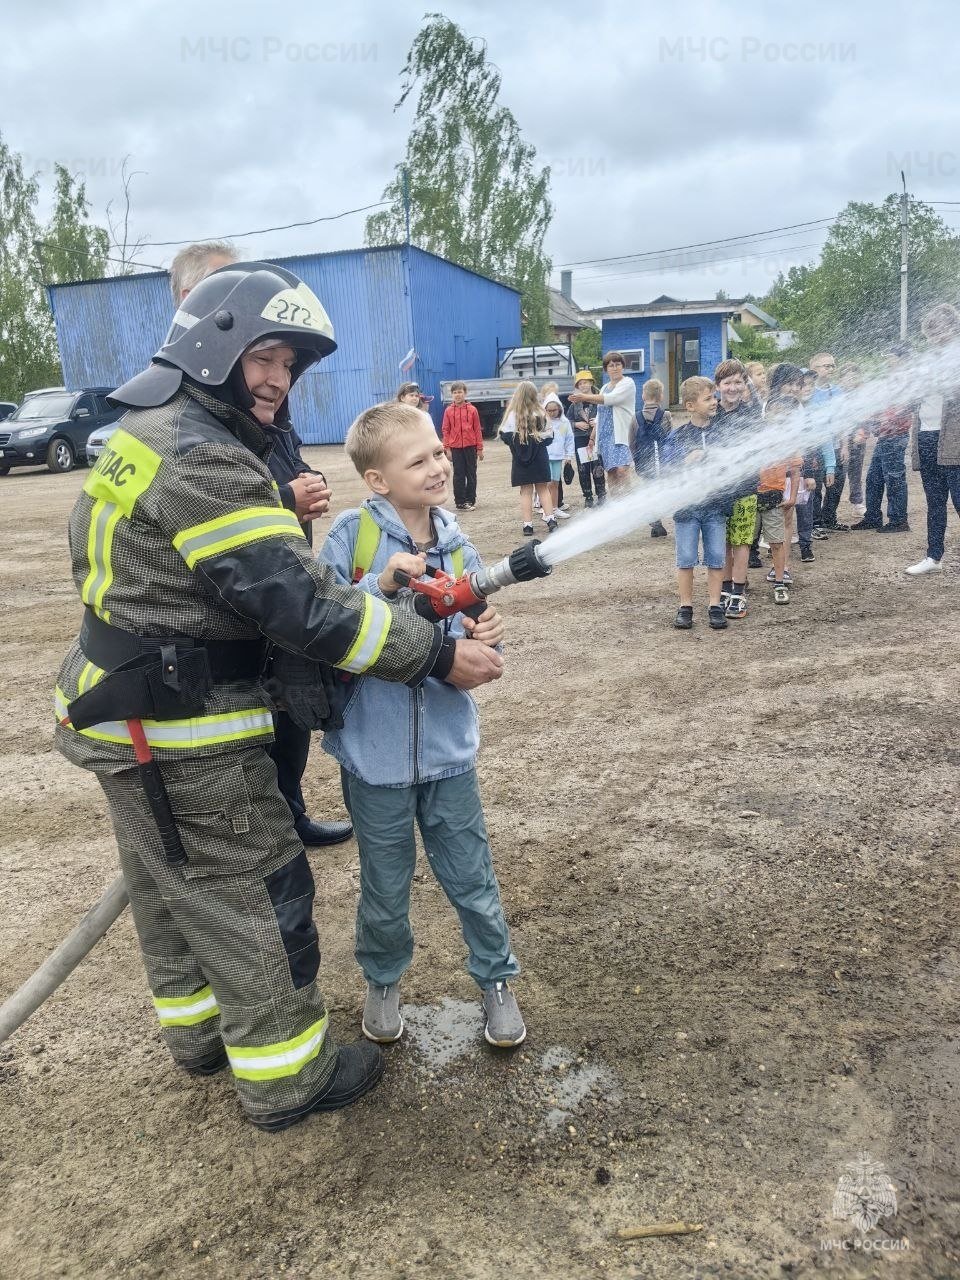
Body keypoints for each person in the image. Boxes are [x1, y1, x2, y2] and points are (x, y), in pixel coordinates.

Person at [53, 261, 504, 1132]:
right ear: (211, 346)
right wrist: (434, 656)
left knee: (169, 883)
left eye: (290, 366)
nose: (278, 380)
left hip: (127, 711)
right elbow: (300, 604)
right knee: (257, 888)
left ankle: (198, 1041)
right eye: (264, 357)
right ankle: (286, 1077)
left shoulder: (146, 432)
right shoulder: (205, 458)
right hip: (184, 730)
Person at [318, 402, 525, 1049]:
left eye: (439, 452)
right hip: (373, 759)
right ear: (377, 479)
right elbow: (320, 625)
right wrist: (380, 586)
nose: (438, 466)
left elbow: (475, 627)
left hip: (448, 754)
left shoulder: (458, 543)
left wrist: (486, 630)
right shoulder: (350, 537)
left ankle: (496, 982)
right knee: (384, 885)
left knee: (472, 877)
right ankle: (383, 982)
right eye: (420, 459)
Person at [169, 241, 351, 850]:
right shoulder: (180, 406)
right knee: (252, 722)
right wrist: (285, 499)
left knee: (294, 701)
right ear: (191, 303)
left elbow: (282, 454)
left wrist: (304, 485)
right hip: (233, 599)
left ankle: (291, 810)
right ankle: (266, 825)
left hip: (278, 573)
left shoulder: (266, 390)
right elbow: (204, 513)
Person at [662, 377, 728, 631]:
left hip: (715, 507)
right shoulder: (677, 436)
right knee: (686, 559)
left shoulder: (720, 433)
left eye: (714, 397)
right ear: (690, 406)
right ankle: (685, 606)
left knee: (716, 558)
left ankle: (714, 605)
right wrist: (686, 460)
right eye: (708, 398)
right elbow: (668, 469)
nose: (715, 402)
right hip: (687, 510)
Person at [905, 303, 960, 575]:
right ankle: (933, 557)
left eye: (940, 330)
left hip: (954, 440)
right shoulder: (925, 362)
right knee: (935, 502)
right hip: (926, 436)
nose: (935, 336)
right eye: (930, 332)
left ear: (953, 327)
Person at [713, 359, 761, 619]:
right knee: (722, 542)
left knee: (741, 541)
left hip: (744, 488)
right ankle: (725, 587)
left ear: (745, 385)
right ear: (718, 386)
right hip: (718, 491)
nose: (732, 388)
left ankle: (739, 592)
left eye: (738, 382)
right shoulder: (711, 414)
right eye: (727, 382)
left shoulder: (751, 414)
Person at [851, 344, 912, 534]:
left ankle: (899, 520)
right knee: (874, 479)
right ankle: (873, 517)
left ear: (900, 358)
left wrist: (879, 419)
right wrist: (869, 424)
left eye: (890, 356)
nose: (887, 360)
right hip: (884, 438)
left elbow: (901, 409)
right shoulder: (890, 380)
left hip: (895, 437)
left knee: (894, 479)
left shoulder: (908, 379)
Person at [756, 395, 804, 605]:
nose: (778, 416)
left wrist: (792, 497)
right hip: (752, 498)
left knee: (776, 541)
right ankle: (738, 583)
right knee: (744, 543)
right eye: (773, 411)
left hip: (774, 499)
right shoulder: (756, 437)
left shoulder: (790, 441)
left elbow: (795, 471)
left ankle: (779, 581)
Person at [568, 351, 637, 494]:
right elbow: (600, 414)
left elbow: (612, 399)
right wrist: (593, 437)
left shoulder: (628, 383)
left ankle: (630, 502)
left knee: (622, 471)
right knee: (611, 472)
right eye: (611, 365)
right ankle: (616, 505)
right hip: (605, 437)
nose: (615, 368)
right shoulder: (605, 387)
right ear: (606, 369)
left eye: (618, 364)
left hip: (622, 435)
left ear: (623, 366)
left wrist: (584, 397)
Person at [499, 381, 558, 535]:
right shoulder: (541, 413)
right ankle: (551, 520)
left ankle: (528, 526)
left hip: (520, 458)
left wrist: (520, 446)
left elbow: (505, 436)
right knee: (543, 488)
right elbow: (550, 437)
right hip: (540, 457)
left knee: (525, 491)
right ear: (534, 395)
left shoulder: (512, 414)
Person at [808, 352, 849, 531]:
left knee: (836, 485)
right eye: (826, 366)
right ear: (814, 369)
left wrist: (845, 445)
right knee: (815, 487)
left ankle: (829, 519)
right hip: (816, 449)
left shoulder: (838, 391)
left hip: (836, 445)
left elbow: (843, 420)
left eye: (833, 365)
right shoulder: (808, 392)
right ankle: (815, 522)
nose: (831, 369)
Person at [631, 378, 671, 538]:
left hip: (644, 463)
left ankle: (656, 521)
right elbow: (669, 439)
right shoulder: (666, 415)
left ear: (643, 396)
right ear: (661, 396)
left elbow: (631, 443)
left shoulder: (635, 417)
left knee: (650, 489)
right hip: (662, 462)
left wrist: (637, 461)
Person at [441, 381, 484, 511]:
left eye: (460, 392)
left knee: (471, 474)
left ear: (465, 393)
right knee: (458, 474)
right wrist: (446, 448)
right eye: (454, 392)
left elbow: (477, 429)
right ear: (451, 395)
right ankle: (460, 501)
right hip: (455, 448)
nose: (457, 395)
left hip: (470, 447)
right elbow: (445, 430)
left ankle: (470, 500)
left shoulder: (472, 410)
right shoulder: (448, 411)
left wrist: (480, 448)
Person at [566, 369, 605, 507]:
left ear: (591, 383)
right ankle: (588, 496)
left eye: (586, 382)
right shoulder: (575, 404)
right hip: (580, 439)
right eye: (580, 383)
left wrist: (598, 422)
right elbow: (566, 422)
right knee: (583, 468)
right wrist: (576, 424)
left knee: (597, 466)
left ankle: (601, 495)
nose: (583, 385)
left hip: (595, 439)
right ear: (577, 386)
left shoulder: (599, 400)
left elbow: (607, 416)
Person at [543, 393, 575, 519]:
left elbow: (569, 439)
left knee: (555, 483)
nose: (551, 413)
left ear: (559, 409)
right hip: (544, 457)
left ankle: (555, 508)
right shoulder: (542, 421)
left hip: (557, 457)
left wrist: (569, 456)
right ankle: (547, 510)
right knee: (547, 484)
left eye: (554, 410)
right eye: (548, 410)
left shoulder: (564, 422)